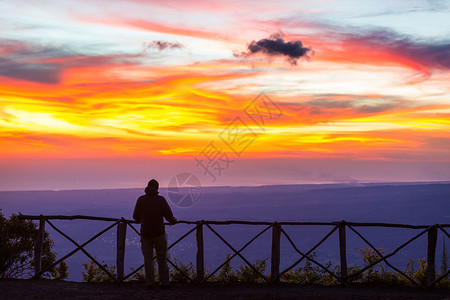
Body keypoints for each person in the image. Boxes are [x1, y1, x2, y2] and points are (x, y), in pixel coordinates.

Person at [133, 179, 177, 289]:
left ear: (147, 187)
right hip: (159, 233)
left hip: (145, 233)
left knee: (148, 259)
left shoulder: (141, 199)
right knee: (162, 258)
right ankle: (164, 282)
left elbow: (135, 216)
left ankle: (150, 283)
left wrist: (141, 220)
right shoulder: (160, 200)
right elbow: (169, 215)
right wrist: (173, 221)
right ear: (157, 188)